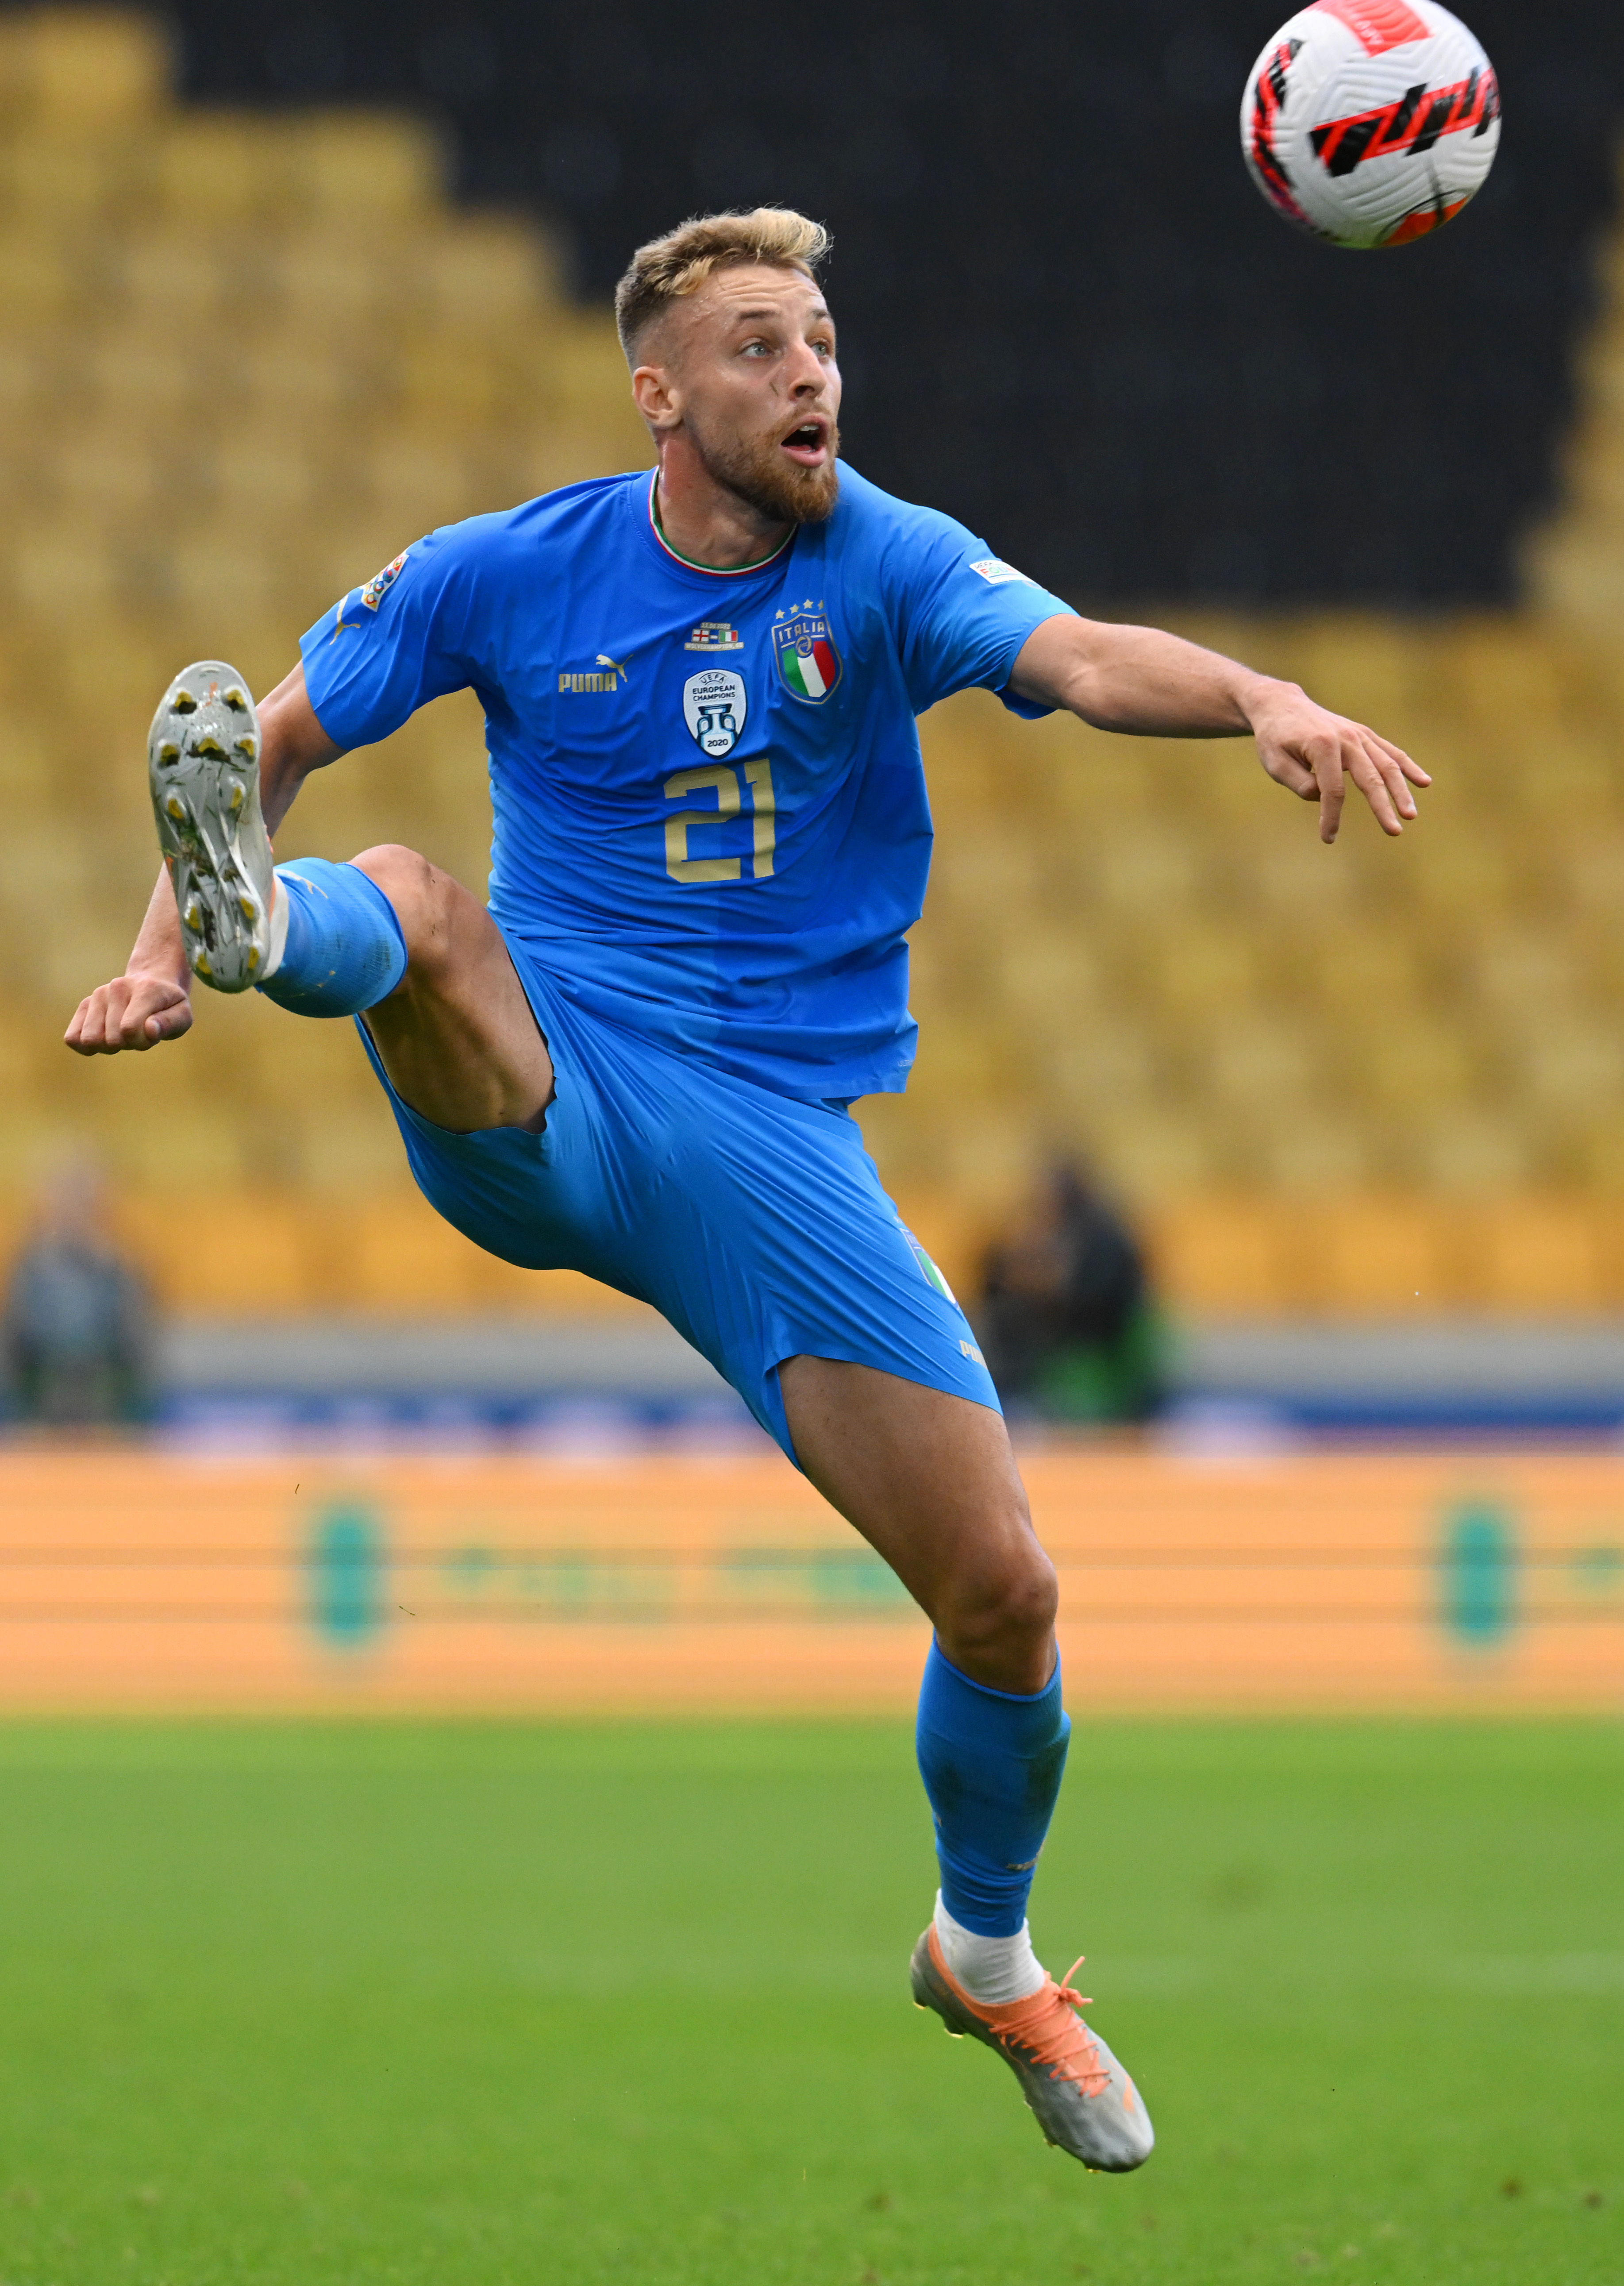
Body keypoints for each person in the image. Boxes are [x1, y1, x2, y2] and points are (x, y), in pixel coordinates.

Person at [65, 208, 1427, 2170]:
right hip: (553, 1073)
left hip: (772, 1139)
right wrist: (170, 953)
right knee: (422, 902)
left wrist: (1259, 698)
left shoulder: (884, 558)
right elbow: (263, 737)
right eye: (761, 346)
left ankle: (983, 1952)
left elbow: (1079, 655)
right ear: (660, 393)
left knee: (1004, 1593)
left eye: (821, 343)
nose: (810, 377)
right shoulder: (506, 570)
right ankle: (272, 934)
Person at [977, 1160, 1167, 1424]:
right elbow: (992, 1285)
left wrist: (1053, 1289)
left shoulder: (1105, 1241)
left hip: (1097, 1353)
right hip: (1041, 1356)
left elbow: (1106, 1305)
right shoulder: (1027, 1236)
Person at [3, 1163, 151, 1426]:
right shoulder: (32, 1267)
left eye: (83, 1205)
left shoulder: (118, 1267)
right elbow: (16, 1332)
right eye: (65, 1204)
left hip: (103, 1378)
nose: (74, 1215)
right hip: (44, 1378)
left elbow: (136, 1336)